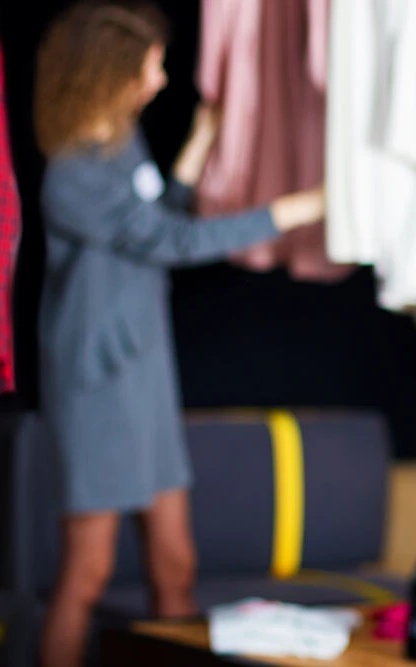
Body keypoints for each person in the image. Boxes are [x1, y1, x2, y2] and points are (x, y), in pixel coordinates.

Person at [33, 3, 325, 666]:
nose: (161, 78)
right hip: (96, 388)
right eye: (151, 67)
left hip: (145, 377)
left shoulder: (122, 142)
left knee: (176, 563)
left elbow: (152, 215)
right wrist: (294, 209)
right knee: (88, 572)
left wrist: (198, 141)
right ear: (110, 75)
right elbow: (169, 240)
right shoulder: (69, 174)